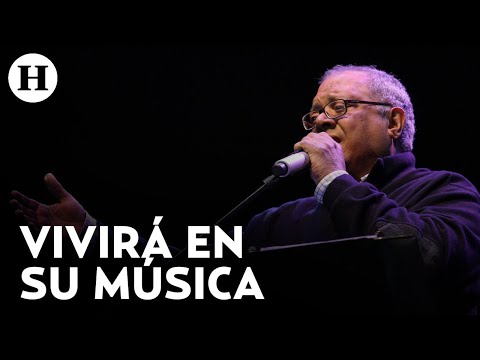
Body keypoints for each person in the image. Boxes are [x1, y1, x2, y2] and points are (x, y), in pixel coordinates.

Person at [10, 65, 480, 314]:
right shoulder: (282, 218)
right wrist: (89, 233)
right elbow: (188, 267)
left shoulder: (444, 191)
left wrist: (334, 180)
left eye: (339, 106)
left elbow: (428, 253)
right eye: (314, 112)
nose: (319, 119)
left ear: (392, 120)